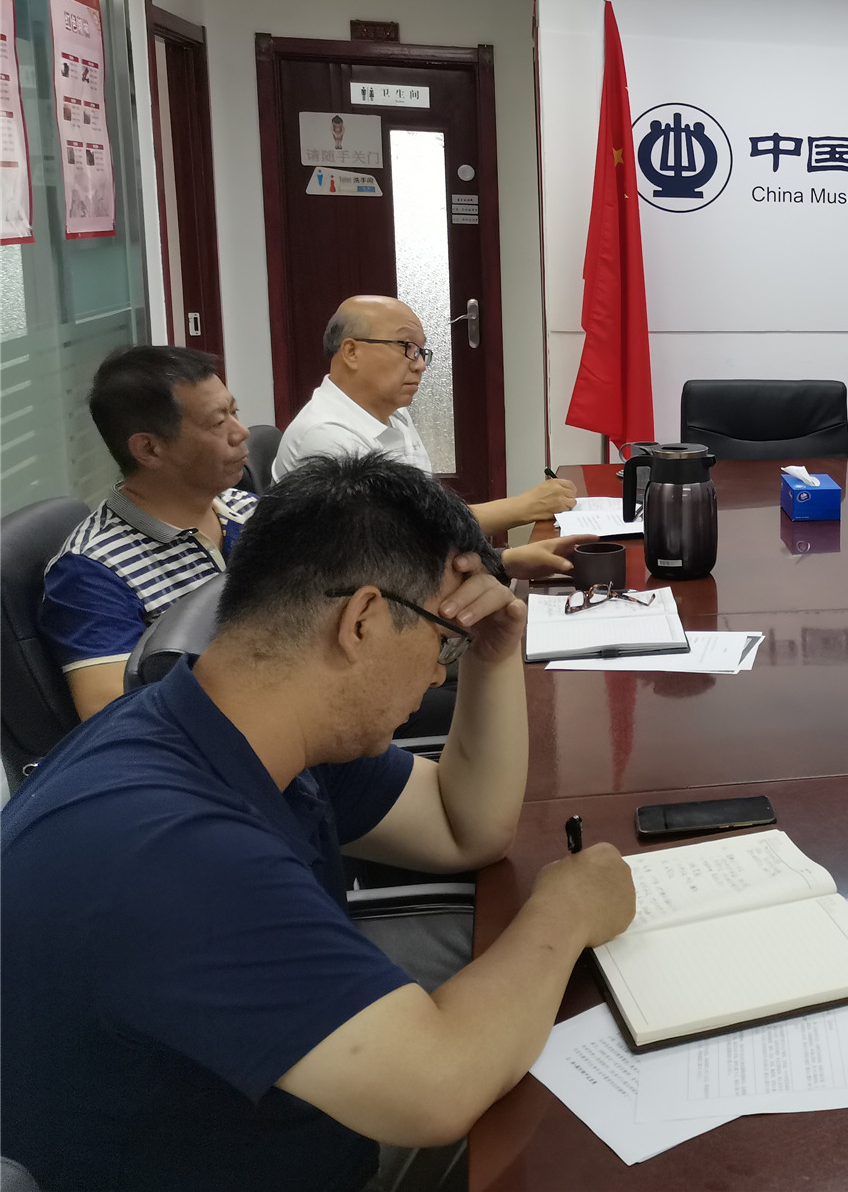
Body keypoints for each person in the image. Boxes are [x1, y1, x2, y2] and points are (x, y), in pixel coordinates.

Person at [1, 455, 638, 1192]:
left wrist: (492, 658)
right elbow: (437, 1089)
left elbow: (465, 828)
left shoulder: (231, 717)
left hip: (307, 1121)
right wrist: (565, 909)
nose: (439, 673)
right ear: (361, 621)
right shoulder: (169, 848)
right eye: (444, 640)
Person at [275, 295, 584, 579]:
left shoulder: (393, 413)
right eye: (407, 347)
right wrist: (524, 509)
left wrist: (504, 559)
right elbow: (402, 542)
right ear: (352, 352)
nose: (421, 365)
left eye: (422, 351)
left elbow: (427, 520)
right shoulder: (326, 436)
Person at [41, 345, 254, 719]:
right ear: (149, 449)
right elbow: (116, 718)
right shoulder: (91, 572)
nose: (241, 432)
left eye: (234, 412)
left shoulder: (249, 510)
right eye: (218, 423)